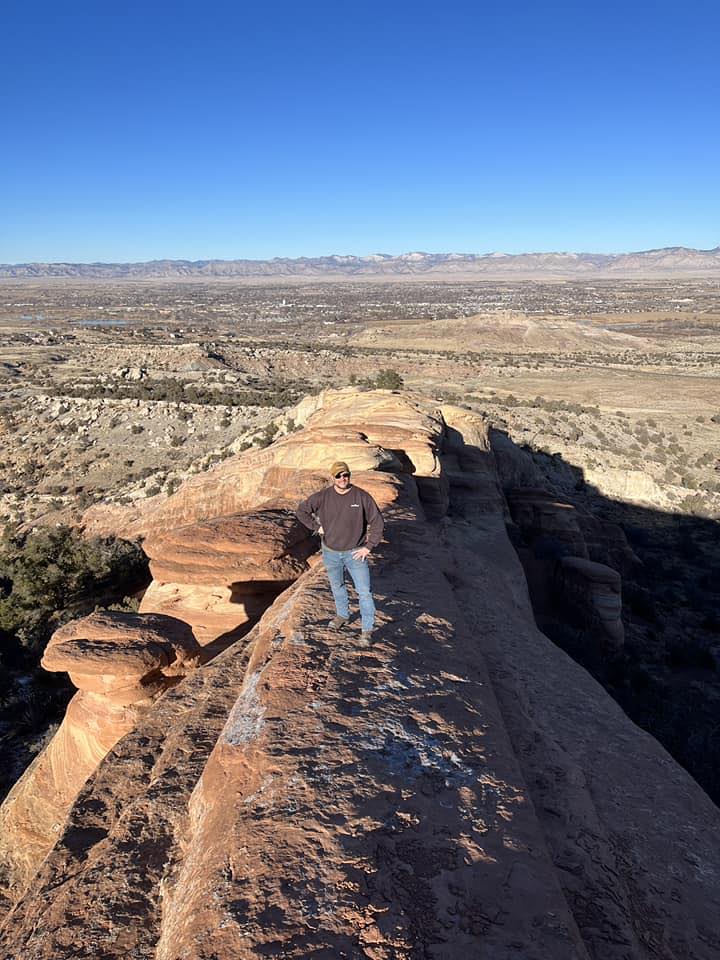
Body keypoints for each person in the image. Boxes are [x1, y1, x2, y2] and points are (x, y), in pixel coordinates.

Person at [296, 460, 384, 646]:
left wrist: (368, 547)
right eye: (339, 476)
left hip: (355, 553)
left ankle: (367, 630)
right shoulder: (323, 497)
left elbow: (378, 522)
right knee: (337, 586)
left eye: (346, 475)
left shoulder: (361, 497)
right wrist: (316, 527)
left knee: (364, 592)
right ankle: (342, 616)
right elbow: (302, 511)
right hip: (330, 552)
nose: (343, 478)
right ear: (333, 478)